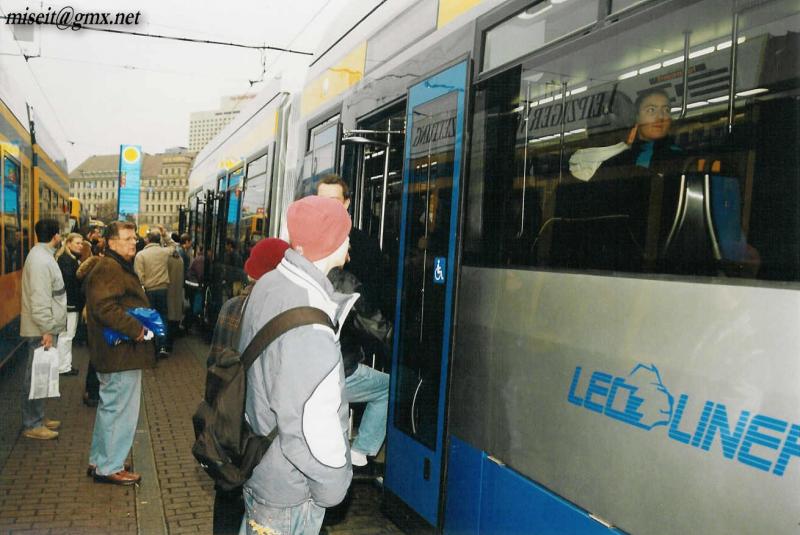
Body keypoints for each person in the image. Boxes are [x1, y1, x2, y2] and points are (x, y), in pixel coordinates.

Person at [239, 196, 357, 535]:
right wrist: (334, 484)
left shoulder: (270, 285)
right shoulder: (310, 321)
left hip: (261, 463)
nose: (350, 241)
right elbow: (309, 422)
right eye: (345, 233)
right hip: (288, 489)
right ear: (333, 241)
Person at [208, 237, 290, 535]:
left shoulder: (230, 306)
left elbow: (213, 364)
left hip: (229, 415)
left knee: (229, 490)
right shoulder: (280, 311)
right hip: (261, 420)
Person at [316, 176, 392, 467]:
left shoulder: (362, 245)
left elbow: (374, 298)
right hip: (336, 360)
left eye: (334, 202)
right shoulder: (315, 250)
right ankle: (352, 456)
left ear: (346, 204)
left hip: (350, 346)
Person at [85, 221, 156, 485]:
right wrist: (136, 329)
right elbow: (104, 307)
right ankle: (109, 467)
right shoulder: (110, 267)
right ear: (111, 242)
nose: (133, 242)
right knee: (120, 411)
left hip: (115, 354)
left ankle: (101, 460)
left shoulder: (111, 265)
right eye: (126, 238)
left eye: (133, 238)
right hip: (121, 354)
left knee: (109, 408)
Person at [570, 88, 684, 181]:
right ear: (636, 119)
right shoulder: (623, 161)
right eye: (651, 110)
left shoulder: (682, 156)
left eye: (666, 110)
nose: (661, 117)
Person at [20, 219, 67, 440]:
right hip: (41, 329)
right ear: (55, 236)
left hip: (43, 327)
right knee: (36, 376)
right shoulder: (41, 261)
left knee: (41, 374)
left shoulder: (41, 256)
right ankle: (33, 423)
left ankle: (38, 416)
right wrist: (47, 330)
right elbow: (40, 300)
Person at [134, 230, 174, 357]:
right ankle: (162, 346)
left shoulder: (140, 255)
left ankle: (150, 347)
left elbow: (139, 275)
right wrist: (165, 235)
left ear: (147, 240)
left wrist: (144, 283)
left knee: (148, 317)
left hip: (148, 290)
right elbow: (173, 246)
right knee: (162, 317)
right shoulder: (164, 252)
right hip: (163, 289)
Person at [55, 232, 84, 377]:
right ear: (68, 244)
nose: (81, 246)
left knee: (66, 335)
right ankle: (63, 367)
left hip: (68, 304)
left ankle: (65, 364)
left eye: (81, 243)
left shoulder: (67, 259)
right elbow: (71, 284)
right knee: (67, 335)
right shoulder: (68, 261)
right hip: (70, 305)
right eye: (77, 243)